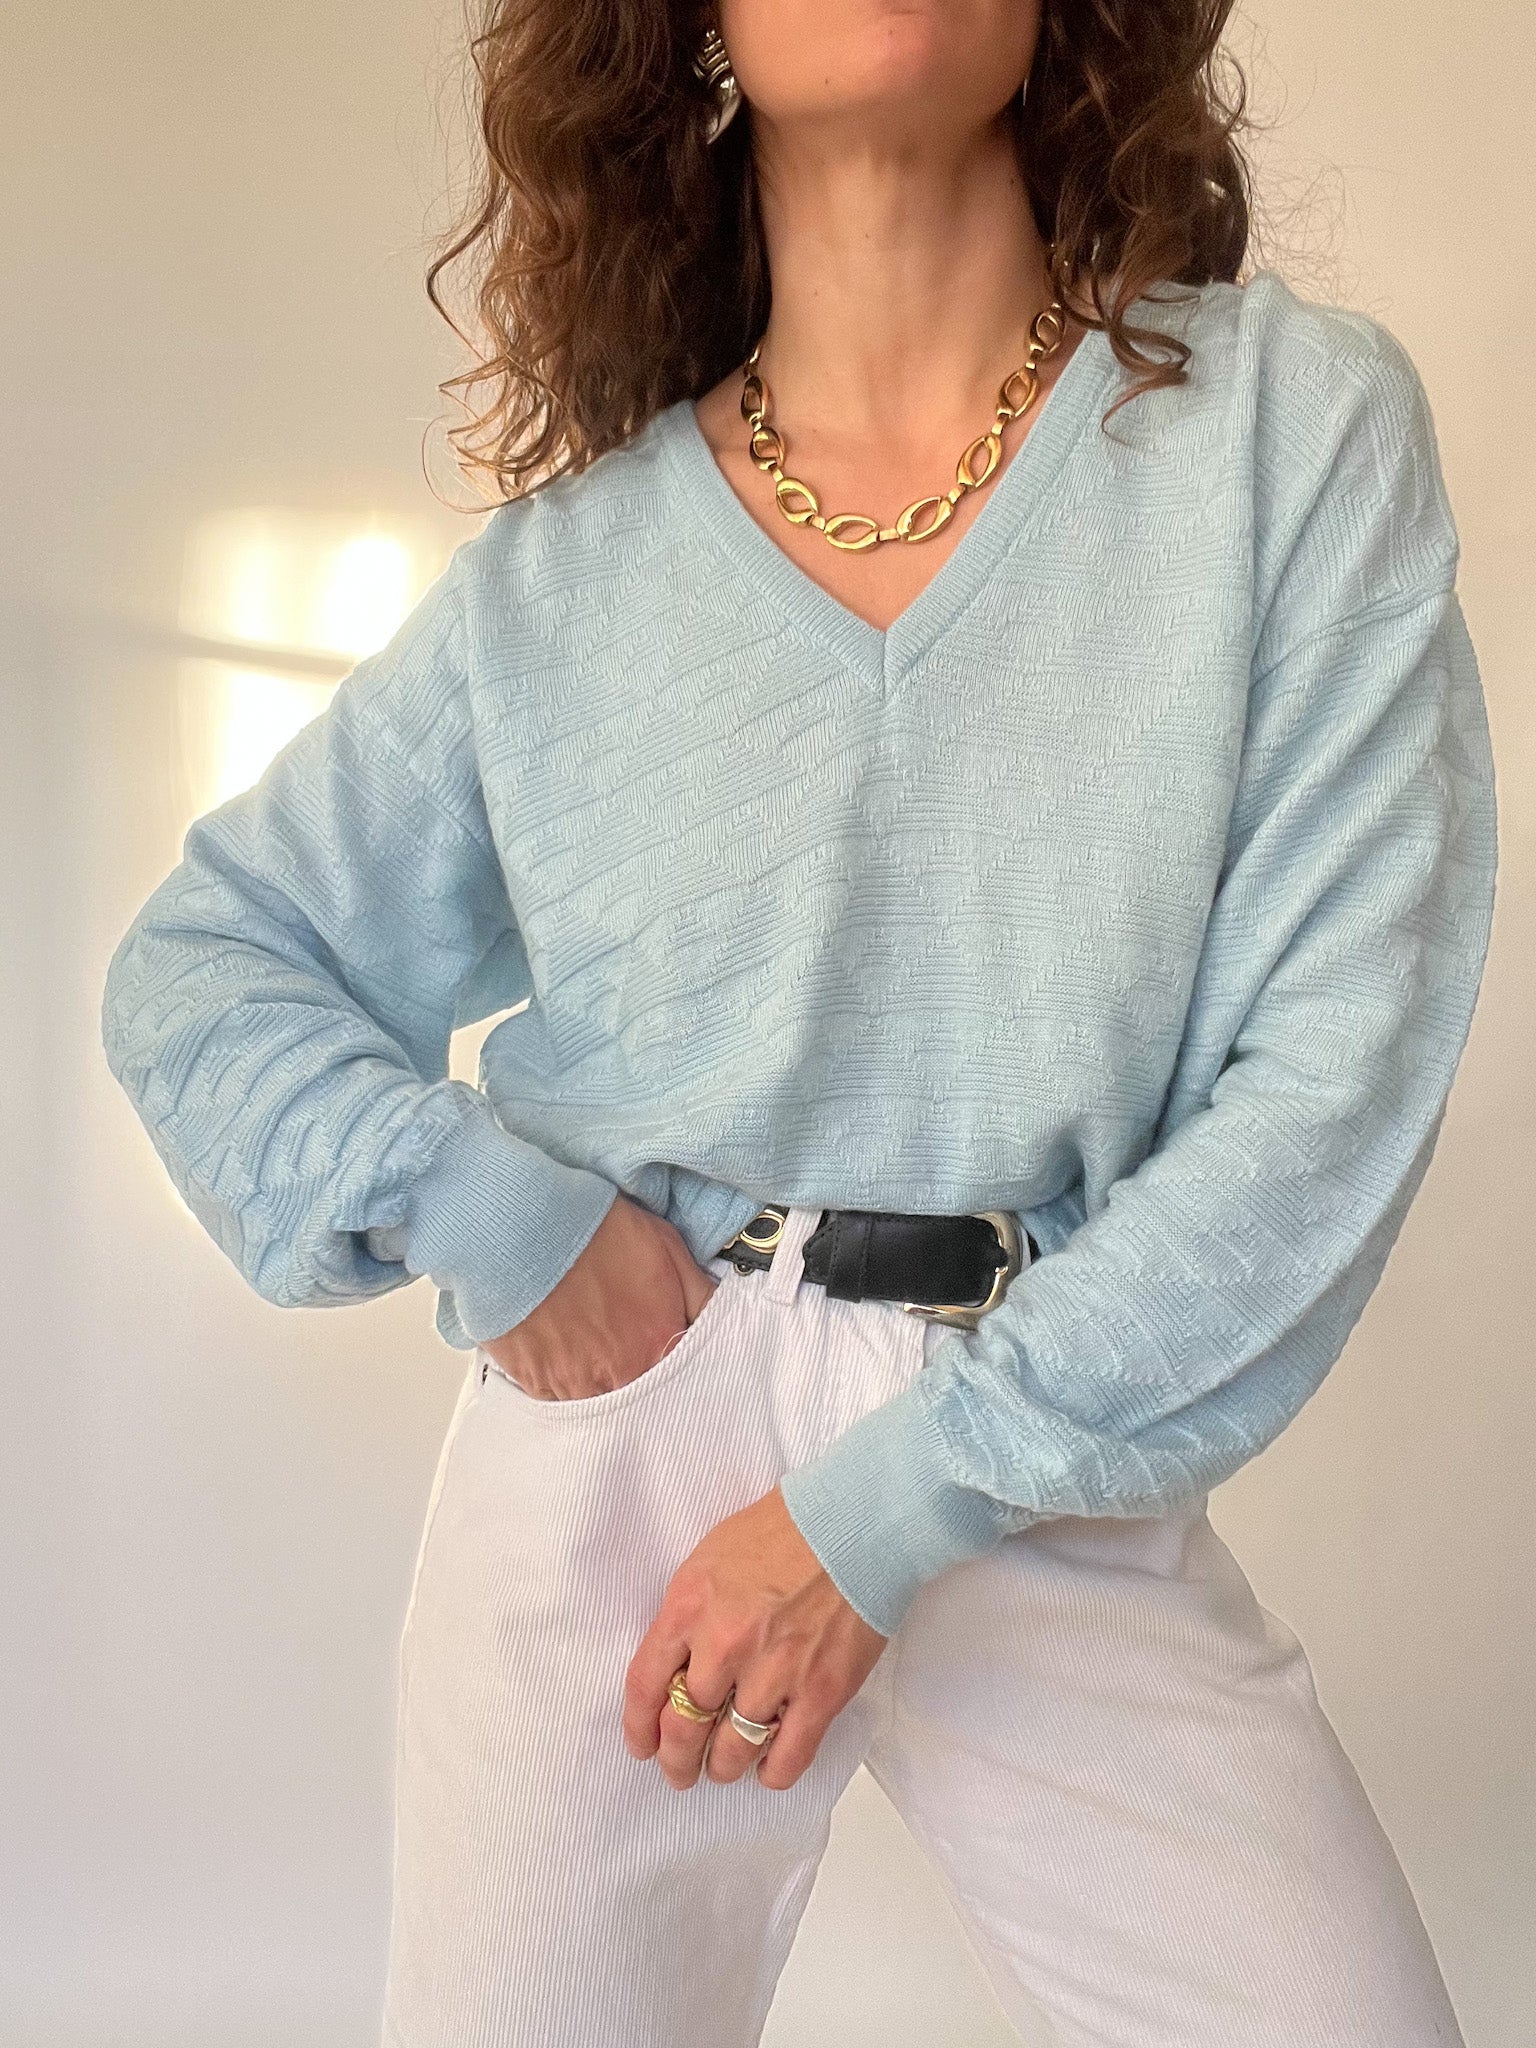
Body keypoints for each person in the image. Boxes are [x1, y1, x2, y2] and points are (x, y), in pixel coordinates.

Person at [100, 1, 1498, 2043]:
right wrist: (496, 1213)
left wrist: (885, 1510)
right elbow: (208, 964)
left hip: (1039, 1427)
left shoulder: (1288, 434)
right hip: (625, 1438)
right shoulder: (565, 583)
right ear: (688, 29)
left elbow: (1331, 1083)